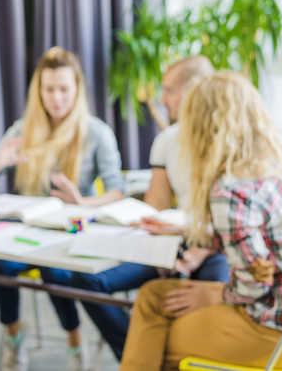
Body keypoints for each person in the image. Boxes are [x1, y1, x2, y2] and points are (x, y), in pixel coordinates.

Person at [120, 71, 282, 370]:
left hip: (281, 332)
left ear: (204, 128)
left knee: (154, 338)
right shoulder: (273, 168)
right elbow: (255, 242)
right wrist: (188, 230)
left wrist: (218, 296)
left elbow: (253, 285)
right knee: (152, 296)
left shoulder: (231, 191)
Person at [0, 46, 125, 371]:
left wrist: (81, 202)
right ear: (38, 91)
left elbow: (117, 192)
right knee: (1, 266)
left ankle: (74, 342)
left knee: (55, 270)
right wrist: (2, 160)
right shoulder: (25, 129)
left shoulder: (96, 133)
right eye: (49, 89)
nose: (56, 98)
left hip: (72, 232)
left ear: (77, 90)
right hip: (28, 232)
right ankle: (14, 338)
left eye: (64, 89)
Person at [70, 55, 229, 362]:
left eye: (169, 90)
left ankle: (155, 356)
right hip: (174, 239)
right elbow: (155, 206)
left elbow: (233, 222)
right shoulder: (167, 141)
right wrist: (131, 225)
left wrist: (200, 250)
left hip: (216, 246)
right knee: (85, 280)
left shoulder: (229, 142)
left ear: (194, 91)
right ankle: (140, 354)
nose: (162, 98)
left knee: (208, 296)